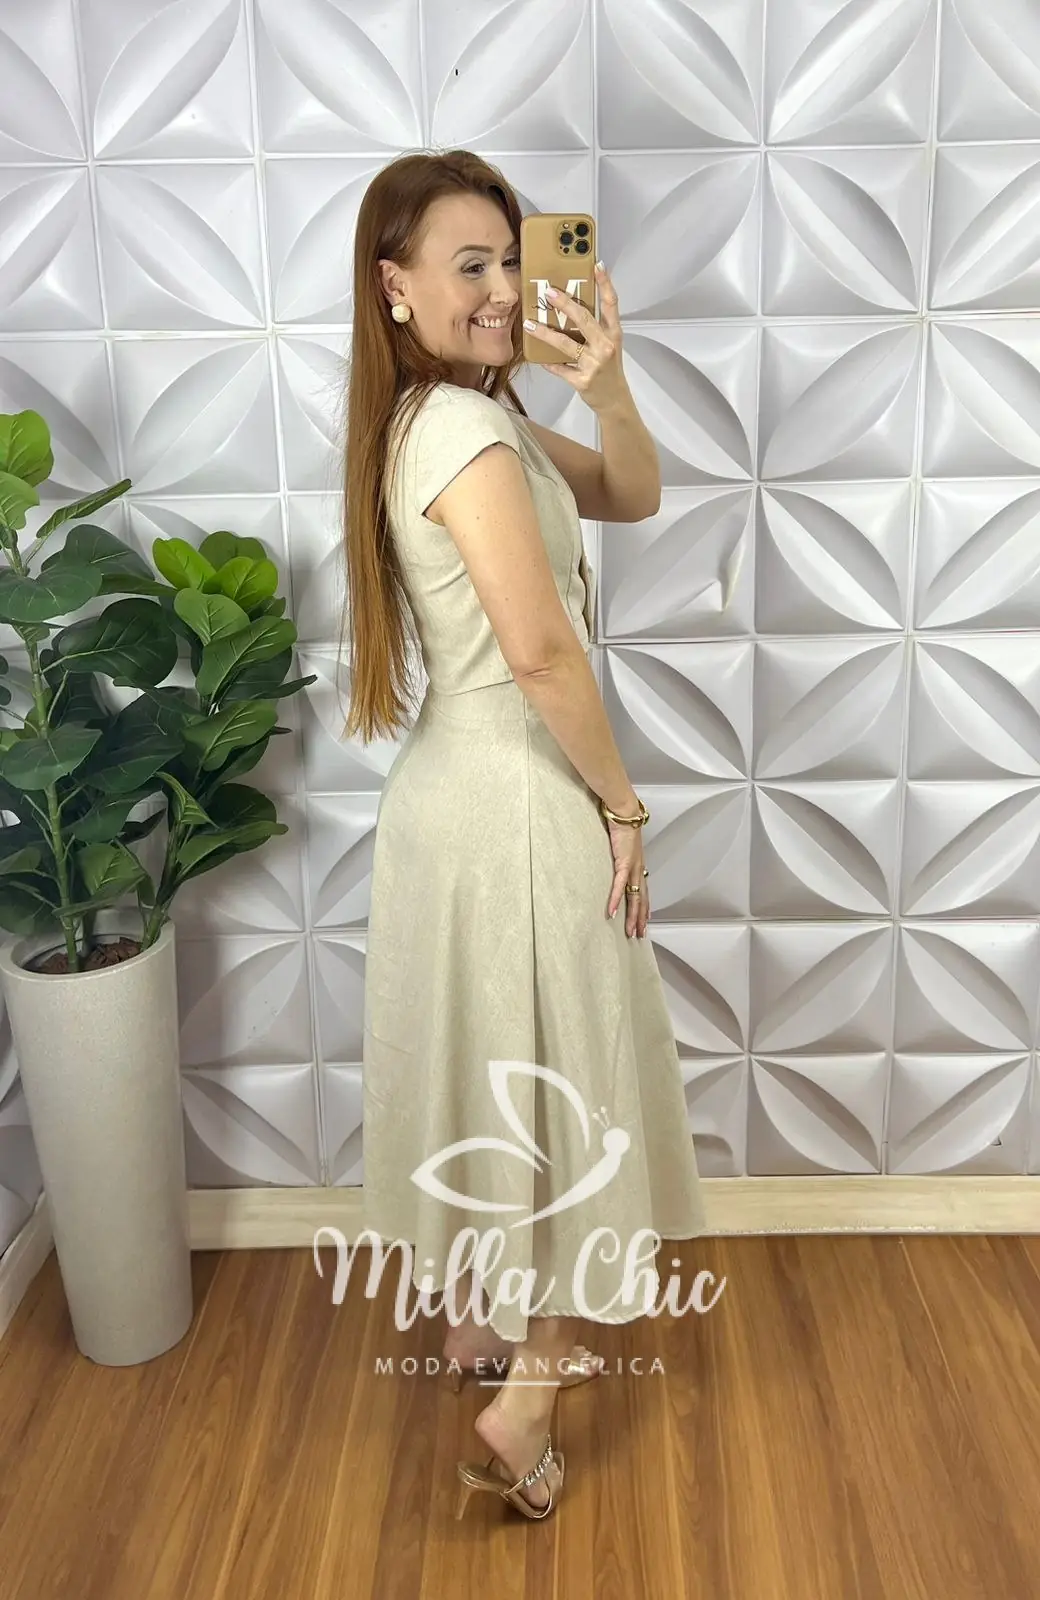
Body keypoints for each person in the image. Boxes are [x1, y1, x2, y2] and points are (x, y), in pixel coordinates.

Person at [339, 149, 706, 1522]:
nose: (501, 289)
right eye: (469, 265)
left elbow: (633, 493)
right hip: (521, 800)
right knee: (577, 1091)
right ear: (395, 287)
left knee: (490, 1058)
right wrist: (624, 805)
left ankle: (472, 1325)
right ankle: (528, 1402)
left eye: (512, 257)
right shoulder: (467, 434)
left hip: (451, 798)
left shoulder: (447, 420)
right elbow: (545, 653)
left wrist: (604, 385)